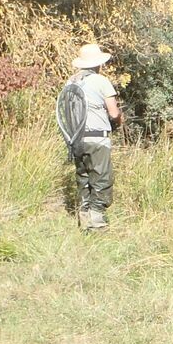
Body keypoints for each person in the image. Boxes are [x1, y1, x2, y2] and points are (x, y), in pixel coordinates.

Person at [62, 43, 123, 231]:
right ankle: (97, 223)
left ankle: (84, 219)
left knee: (83, 177)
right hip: (98, 139)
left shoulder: (71, 82)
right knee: (101, 178)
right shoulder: (101, 81)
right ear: (98, 63)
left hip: (76, 139)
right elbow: (113, 113)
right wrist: (120, 118)